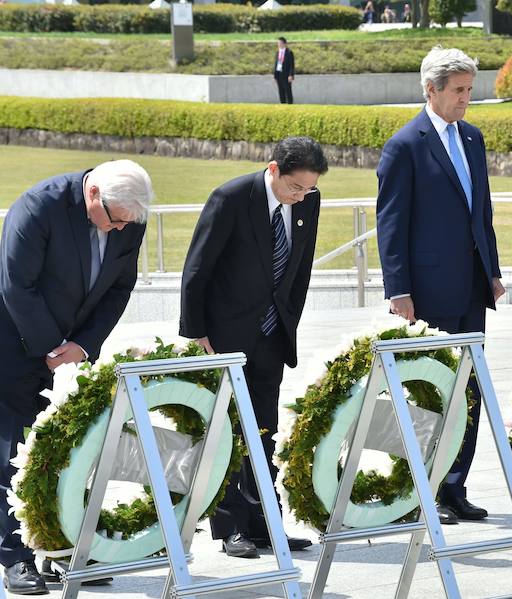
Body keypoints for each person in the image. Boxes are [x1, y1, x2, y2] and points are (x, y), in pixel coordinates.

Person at [0, 160, 152, 594]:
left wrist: (83, 346)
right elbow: (16, 286)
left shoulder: (128, 216)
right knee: (10, 453)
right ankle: (15, 558)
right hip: (12, 345)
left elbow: (119, 288)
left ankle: (63, 551)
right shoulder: (38, 207)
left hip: (70, 350)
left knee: (65, 454)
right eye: (115, 220)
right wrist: (52, 348)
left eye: (128, 223)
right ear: (93, 195)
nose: (121, 230)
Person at [179, 137, 327, 558]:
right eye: (295, 188)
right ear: (274, 169)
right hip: (224, 335)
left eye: (308, 190)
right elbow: (197, 266)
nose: (301, 197)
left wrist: (289, 321)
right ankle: (230, 529)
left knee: (264, 431)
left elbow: (301, 268)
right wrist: (197, 331)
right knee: (228, 431)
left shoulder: (308, 203)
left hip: (271, 335)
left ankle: (265, 524)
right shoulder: (231, 198)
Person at [376, 46, 505, 525]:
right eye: (458, 91)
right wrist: (398, 291)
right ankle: (420, 492)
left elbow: (482, 211)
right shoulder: (405, 145)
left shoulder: (472, 138)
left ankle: (454, 488)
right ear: (431, 90)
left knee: (467, 392)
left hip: (471, 289)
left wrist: (491, 272)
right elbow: (391, 224)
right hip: (427, 295)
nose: (466, 99)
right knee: (429, 395)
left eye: (470, 90)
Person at [273, 37, 295, 105]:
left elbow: (292, 65)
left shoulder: (289, 52)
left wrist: (291, 75)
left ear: (284, 44)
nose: (279, 45)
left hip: (286, 75)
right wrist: (275, 76)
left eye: (280, 43)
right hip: (279, 74)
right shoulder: (278, 52)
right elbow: (276, 64)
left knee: (287, 91)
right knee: (281, 91)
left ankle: (290, 105)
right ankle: (282, 104)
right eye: (278, 43)